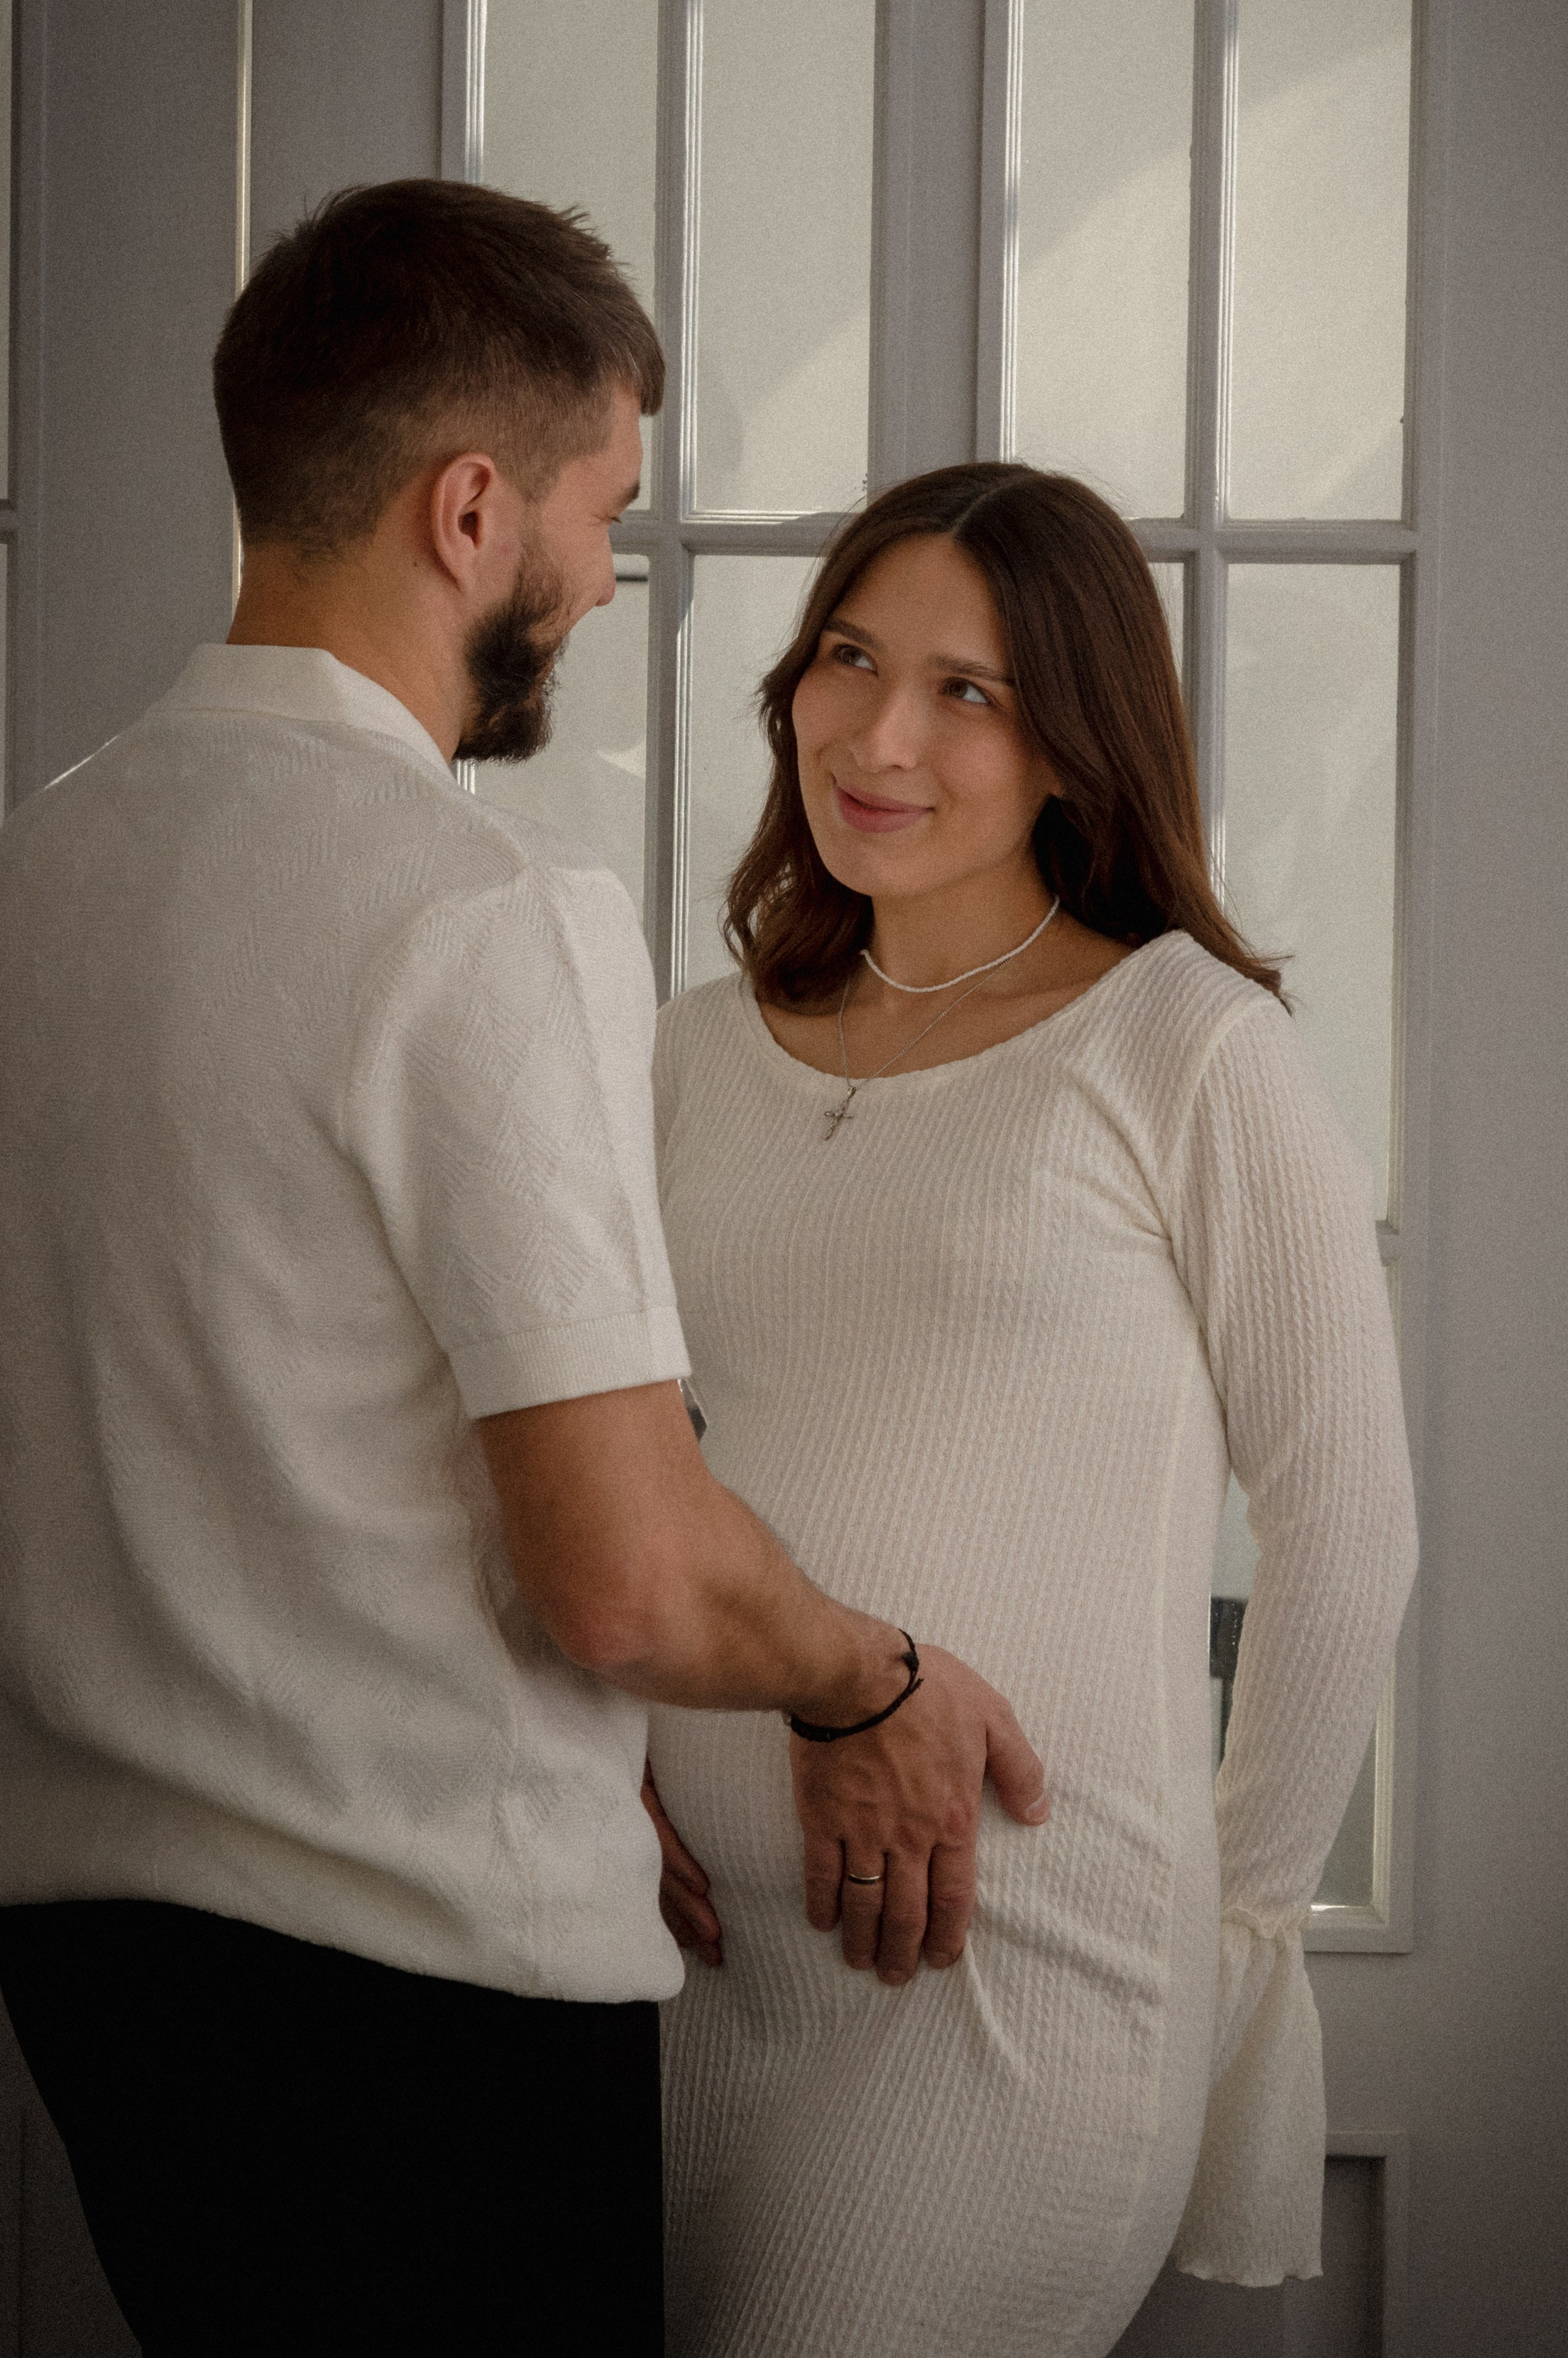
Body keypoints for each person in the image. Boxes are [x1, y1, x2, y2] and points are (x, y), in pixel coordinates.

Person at [0, 187, 1046, 2357]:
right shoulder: (479, 910)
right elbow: (624, 1582)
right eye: (603, 520)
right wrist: (870, 1679)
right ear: (471, 508)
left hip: (97, 1975)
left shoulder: (43, 867)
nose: (600, 582)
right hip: (420, 1998)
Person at [642, 462, 1420, 2358]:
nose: (880, 733)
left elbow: (1345, 1523)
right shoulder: (689, 1048)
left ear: (1079, 743)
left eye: (967, 692)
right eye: (847, 657)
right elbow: (623, 1461)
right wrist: (605, 1769)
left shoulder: (1185, 1047)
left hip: (1018, 1981)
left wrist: (1216, 1925)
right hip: (691, 1979)